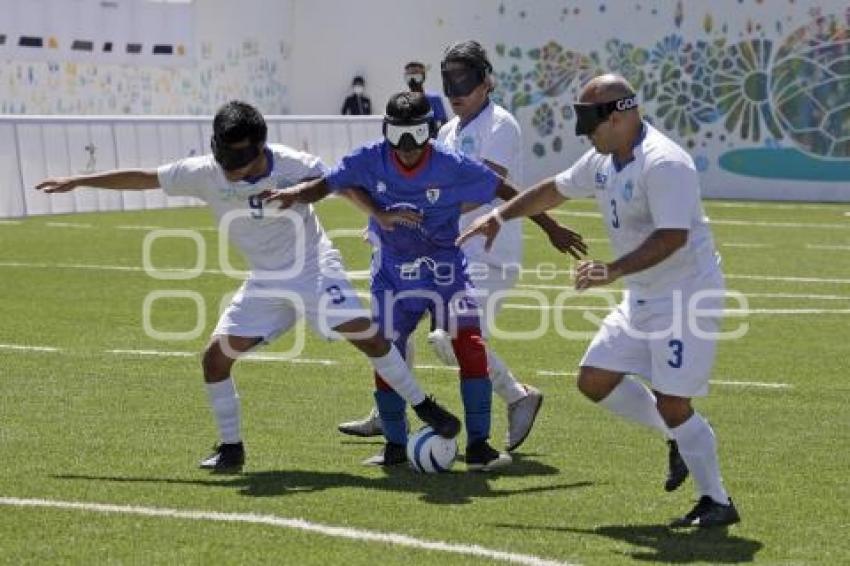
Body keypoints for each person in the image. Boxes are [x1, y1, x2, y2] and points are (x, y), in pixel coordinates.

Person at [35, 100, 461, 472]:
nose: (236, 176)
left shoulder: (295, 164)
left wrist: (379, 216)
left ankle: (424, 406)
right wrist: (79, 181)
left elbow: (343, 183)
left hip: (313, 267)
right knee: (215, 360)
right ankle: (231, 449)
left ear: (263, 148)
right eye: (229, 167)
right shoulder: (204, 173)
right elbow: (145, 177)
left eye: (246, 166)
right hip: (266, 280)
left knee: (366, 335)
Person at [458, 74, 740, 527]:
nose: (586, 133)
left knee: (673, 401)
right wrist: (499, 215)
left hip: (686, 298)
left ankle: (718, 501)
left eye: (592, 122)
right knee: (594, 380)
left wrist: (611, 270)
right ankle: (677, 437)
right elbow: (555, 188)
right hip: (643, 294)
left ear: (623, 112)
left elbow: (672, 236)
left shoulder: (664, 163)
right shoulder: (604, 160)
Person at [265, 92, 584, 470]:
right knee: (386, 350)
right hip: (392, 277)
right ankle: (395, 447)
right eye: (397, 136)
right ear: (387, 132)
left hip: (446, 272)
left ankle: (479, 447)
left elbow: (504, 189)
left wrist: (551, 226)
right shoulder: (370, 157)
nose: (406, 149)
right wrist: (294, 195)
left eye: (414, 137)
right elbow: (327, 184)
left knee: (468, 344)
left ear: (429, 133)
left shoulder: (451, 164)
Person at [338, 40, 586, 453]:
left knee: (447, 337)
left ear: (487, 81)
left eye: (465, 81)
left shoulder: (500, 125)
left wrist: (413, 214)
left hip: (490, 255)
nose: (456, 92)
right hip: (446, 256)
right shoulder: (449, 130)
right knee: (395, 325)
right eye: (448, 82)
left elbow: (484, 189)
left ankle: (518, 397)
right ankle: (387, 412)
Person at [403, 61, 448, 132]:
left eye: (417, 76)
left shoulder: (434, 98)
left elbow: (444, 123)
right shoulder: (402, 100)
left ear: (423, 77)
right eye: (409, 77)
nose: (412, 80)